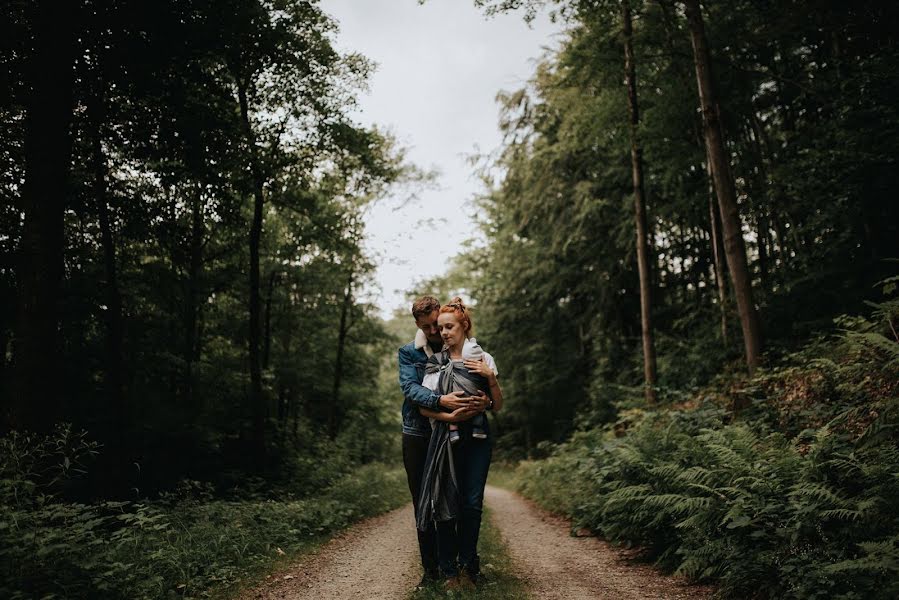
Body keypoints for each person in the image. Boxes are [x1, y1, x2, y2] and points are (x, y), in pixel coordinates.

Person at [398, 296, 488, 589]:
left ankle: (461, 565)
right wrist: (440, 401)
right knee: (422, 500)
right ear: (418, 325)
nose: (435, 332)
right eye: (427, 327)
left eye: (436, 325)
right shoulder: (409, 353)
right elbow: (410, 389)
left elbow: (477, 381)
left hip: (452, 430)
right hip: (417, 433)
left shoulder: (456, 347)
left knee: (454, 496)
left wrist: (484, 397)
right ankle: (430, 568)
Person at [417, 297, 504, 589]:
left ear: (464, 326)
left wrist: (490, 381)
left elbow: (498, 405)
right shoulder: (435, 363)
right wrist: (448, 414)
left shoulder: (484, 360)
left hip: (478, 440)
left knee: (472, 503)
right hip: (445, 438)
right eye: (440, 328)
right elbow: (424, 409)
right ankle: (448, 571)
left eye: (449, 326)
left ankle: (469, 565)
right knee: (445, 503)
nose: (443, 332)